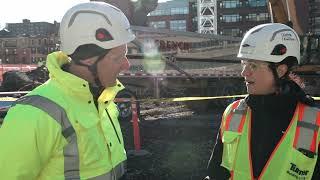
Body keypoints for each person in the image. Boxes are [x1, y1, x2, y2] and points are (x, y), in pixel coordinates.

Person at [0, 2, 135, 179]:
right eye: (118, 57)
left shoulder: (103, 100)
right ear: (88, 59)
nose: (127, 64)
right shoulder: (34, 114)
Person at [204, 23, 320, 180]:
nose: (244, 72)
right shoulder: (233, 113)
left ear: (280, 70)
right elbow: (216, 174)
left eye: (253, 65)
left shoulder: (314, 123)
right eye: (244, 64)